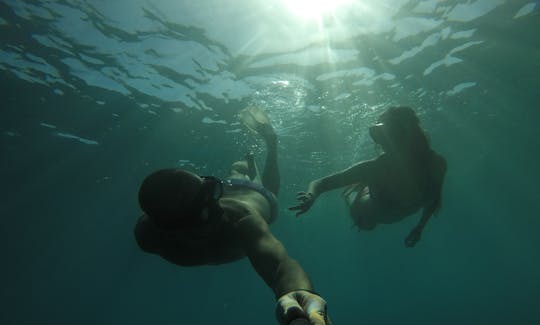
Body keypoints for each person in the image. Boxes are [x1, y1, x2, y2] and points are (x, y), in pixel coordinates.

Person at [134, 106, 331, 325]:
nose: (218, 207)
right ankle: (249, 161)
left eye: (212, 193)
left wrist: (299, 296)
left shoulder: (243, 220)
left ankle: (270, 143)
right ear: (175, 226)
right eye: (206, 208)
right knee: (238, 173)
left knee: (268, 189)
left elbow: (279, 265)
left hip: (255, 195)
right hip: (235, 190)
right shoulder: (148, 235)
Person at [290, 106, 447, 247]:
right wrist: (311, 196)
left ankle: (361, 186)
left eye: (382, 135)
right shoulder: (375, 168)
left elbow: (434, 199)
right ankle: (354, 192)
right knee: (366, 225)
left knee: (368, 221)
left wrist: (420, 228)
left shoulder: (436, 164)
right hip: (364, 212)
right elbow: (321, 183)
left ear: (407, 133)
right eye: (377, 135)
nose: (380, 142)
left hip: (382, 206)